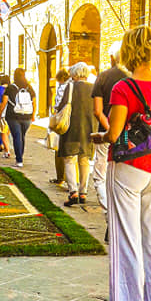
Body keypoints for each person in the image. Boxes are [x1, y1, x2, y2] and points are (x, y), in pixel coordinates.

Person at [92, 26, 151, 301]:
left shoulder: (123, 88)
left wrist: (98, 136)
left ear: (127, 51)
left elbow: (115, 134)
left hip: (128, 167)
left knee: (125, 236)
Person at [91, 45, 129, 210]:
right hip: (129, 135)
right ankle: (119, 211)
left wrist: (110, 129)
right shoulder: (132, 77)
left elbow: (98, 111)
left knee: (100, 176)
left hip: (106, 133)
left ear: (112, 58)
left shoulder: (103, 77)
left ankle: (109, 212)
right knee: (123, 177)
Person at [58, 63, 95, 206]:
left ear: (74, 74)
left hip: (72, 127)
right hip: (88, 127)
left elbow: (61, 106)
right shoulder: (93, 87)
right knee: (84, 160)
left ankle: (73, 191)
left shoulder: (71, 87)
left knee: (69, 159)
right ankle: (83, 192)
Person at [0, 66, 36, 167]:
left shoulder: (11, 87)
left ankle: (19, 159)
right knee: (22, 136)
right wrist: (33, 114)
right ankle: (20, 157)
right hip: (26, 116)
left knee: (17, 136)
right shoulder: (29, 87)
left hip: (13, 116)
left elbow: (4, 102)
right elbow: (34, 101)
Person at [49, 68, 70, 187]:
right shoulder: (72, 86)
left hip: (61, 121)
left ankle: (61, 177)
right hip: (70, 120)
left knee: (59, 149)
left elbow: (58, 105)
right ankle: (67, 177)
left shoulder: (63, 88)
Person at [0, 73, 11, 158]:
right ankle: (6, 145)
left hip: (1, 111)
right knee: (7, 131)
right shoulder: (12, 89)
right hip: (11, 112)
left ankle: (3, 145)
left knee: (1, 131)